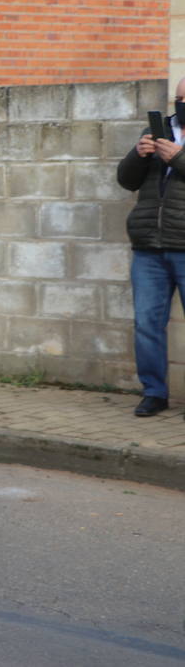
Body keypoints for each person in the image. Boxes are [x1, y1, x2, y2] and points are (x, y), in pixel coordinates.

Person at [116, 77, 185, 418]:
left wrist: (179, 158)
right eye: (179, 98)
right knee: (146, 323)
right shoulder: (159, 129)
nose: (181, 104)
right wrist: (139, 154)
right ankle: (154, 393)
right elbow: (126, 180)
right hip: (149, 247)